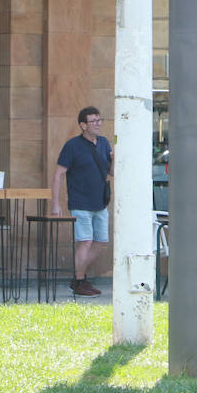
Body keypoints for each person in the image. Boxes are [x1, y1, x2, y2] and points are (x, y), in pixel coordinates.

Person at [51, 106, 113, 297]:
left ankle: (80, 276)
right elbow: (59, 173)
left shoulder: (104, 143)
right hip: (80, 202)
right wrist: (56, 202)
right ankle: (80, 281)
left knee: (101, 241)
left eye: (99, 120)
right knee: (85, 241)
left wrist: (115, 158)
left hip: (100, 201)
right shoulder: (73, 146)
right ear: (83, 125)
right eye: (93, 121)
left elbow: (111, 172)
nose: (98, 124)